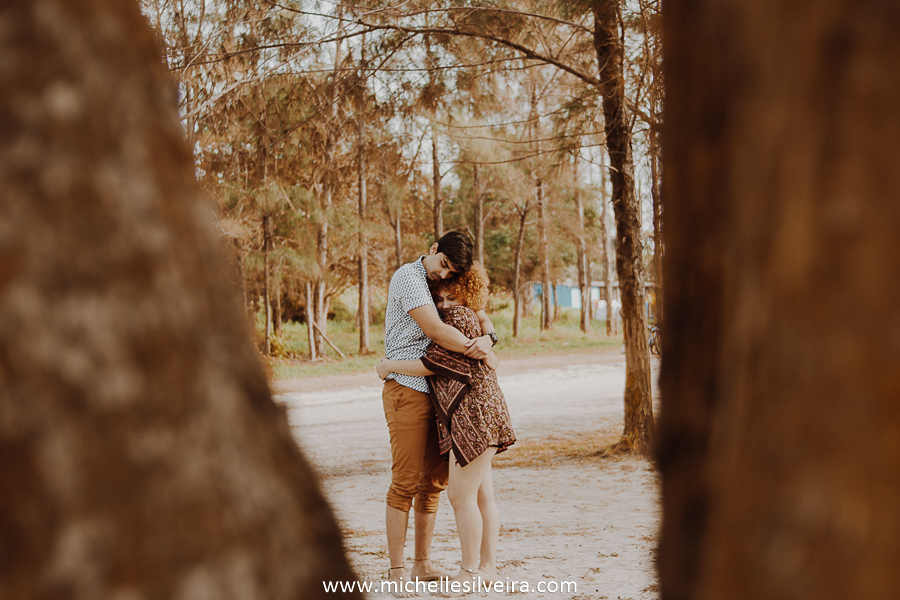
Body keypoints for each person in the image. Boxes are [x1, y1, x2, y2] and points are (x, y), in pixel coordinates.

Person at [377, 263, 515, 589]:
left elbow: (435, 362)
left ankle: (470, 572)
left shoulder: (459, 318)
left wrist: (388, 366)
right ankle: (486, 568)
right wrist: (490, 341)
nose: (443, 306)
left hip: (474, 414)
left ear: (465, 295)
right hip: (483, 410)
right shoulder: (471, 316)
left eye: (450, 298)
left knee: (459, 493)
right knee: (483, 495)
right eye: (440, 300)